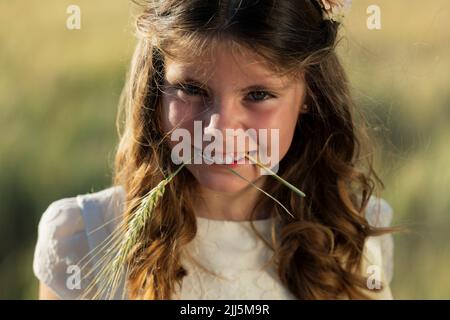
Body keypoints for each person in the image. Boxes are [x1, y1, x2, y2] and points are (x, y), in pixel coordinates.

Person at [33, 0, 395, 300]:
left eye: (258, 95)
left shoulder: (352, 237)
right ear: (156, 88)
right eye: (191, 89)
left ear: (308, 96)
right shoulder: (84, 239)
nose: (219, 129)